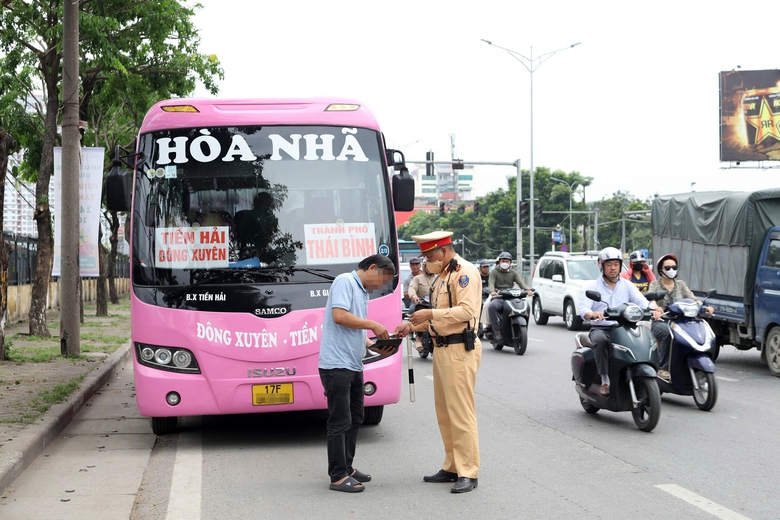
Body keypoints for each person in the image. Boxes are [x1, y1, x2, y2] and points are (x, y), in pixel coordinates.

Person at [393, 231, 482, 494]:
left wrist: (429, 313)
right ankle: (452, 465)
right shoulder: (441, 277)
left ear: (443, 251)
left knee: (461, 413)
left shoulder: (464, 273)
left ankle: (468, 471)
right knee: (445, 413)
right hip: (441, 349)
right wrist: (410, 325)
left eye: (429, 255)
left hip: (459, 349)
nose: (426, 261)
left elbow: (466, 312)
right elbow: (438, 317)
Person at [319, 254, 398, 493]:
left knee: (355, 418)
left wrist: (374, 345)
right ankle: (338, 475)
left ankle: (348, 467)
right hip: (336, 365)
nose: (381, 286)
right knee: (339, 421)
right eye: (382, 279)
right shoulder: (345, 281)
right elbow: (340, 316)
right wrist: (373, 324)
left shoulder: (361, 292)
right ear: (372, 268)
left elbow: (355, 328)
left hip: (353, 364)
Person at [579, 247, 663, 396]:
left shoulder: (627, 285)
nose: (613, 268)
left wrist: (654, 309)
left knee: (646, 339)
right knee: (600, 341)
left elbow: (641, 301)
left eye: (616, 264)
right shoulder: (592, 287)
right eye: (609, 264)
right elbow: (584, 308)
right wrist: (592, 314)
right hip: (602, 328)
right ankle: (605, 380)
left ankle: (651, 373)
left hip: (625, 327)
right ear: (601, 266)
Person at [647, 253, 714, 380]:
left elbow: (693, 298)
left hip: (681, 322)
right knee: (669, 334)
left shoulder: (681, 285)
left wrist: (704, 307)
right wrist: (655, 308)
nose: (671, 270)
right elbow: (652, 299)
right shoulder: (655, 285)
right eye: (668, 268)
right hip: (662, 321)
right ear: (661, 270)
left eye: (674, 267)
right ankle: (663, 368)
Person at [485, 252, 532, 343]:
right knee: (491, 306)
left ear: (510, 262)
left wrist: (527, 290)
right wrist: (493, 292)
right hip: (499, 296)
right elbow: (491, 283)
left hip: (511, 297)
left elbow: (521, 283)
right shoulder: (494, 272)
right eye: (503, 261)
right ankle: (496, 330)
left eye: (507, 261)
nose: (505, 263)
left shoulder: (513, 273)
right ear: (499, 262)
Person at [408, 260, 439, 352]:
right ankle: (418, 337)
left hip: (436, 305)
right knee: (420, 313)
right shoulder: (417, 278)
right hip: (422, 303)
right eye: (427, 266)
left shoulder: (439, 278)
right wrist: (414, 296)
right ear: (424, 267)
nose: (429, 268)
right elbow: (412, 288)